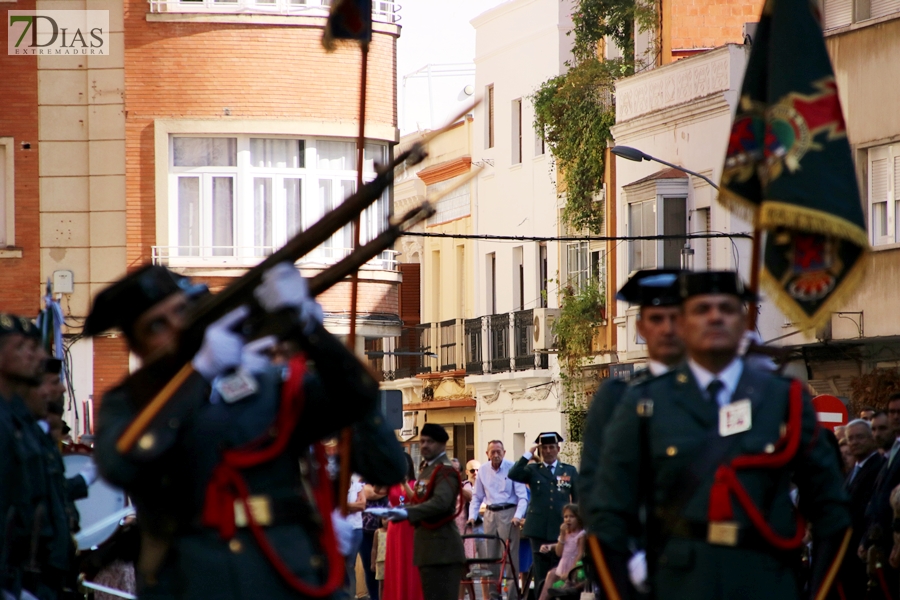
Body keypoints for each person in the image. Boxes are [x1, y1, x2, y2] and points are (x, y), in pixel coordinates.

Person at [88, 263, 405, 600]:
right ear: (137, 348)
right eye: (156, 326)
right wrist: (199, 373)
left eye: (182, 311)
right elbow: (120, 465)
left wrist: (311, 331)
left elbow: (360, 406)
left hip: (286, 573)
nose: (177, 327)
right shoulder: (128, 403)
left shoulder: (264, 385)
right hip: (194, 580)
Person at [591, 271, 851, 600]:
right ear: (682, 324)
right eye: (702, 309)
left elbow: (832, 511)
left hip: (766, 582)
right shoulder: (644, 401)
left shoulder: (783, 398)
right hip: (678, 584)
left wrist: (817, 593)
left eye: (726, 309)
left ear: (743, 321)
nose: (715, 316)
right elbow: (607, 514)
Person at [579, 268, 684, 577]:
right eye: (656, 319)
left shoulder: (718, 394)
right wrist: (625, 562)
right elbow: (594, 491)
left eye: (675, 318)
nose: (667, 329)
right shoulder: (618, 397)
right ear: (640, 326)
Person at [385, 424, 466, 600]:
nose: (424, 445)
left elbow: (441, 503)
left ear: (443, 444)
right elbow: (420, 499)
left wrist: (407, 513)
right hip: (429, 549)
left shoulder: (445, 469)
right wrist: (403, 509)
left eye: (430, 441)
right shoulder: (429, 469)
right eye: (422, 441)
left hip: (442, 550)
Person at [508, 432, 578, 596]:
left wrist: (576, 525)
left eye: (551, 447)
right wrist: (528, 454)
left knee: (563, 569)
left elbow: (577, 500)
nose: (548, 451)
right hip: (538, 528)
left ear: (557, 449)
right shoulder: (532, 470)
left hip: (562, 527)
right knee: (541, 572)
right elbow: (513, 474)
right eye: (544, 448)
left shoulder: (569, 470)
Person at [467, 440, 527, 599]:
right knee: (491, 558)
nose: (495, 455)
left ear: (504, 452)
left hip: (509, 513)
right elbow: (477, 497)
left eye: (498, 451)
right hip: (490, 514)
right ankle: (494, 596)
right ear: (487, 454)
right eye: (492, 452)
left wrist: (517, 516)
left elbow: (523, 497)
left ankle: (513, 596)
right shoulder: (483, 471)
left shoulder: (513, 468)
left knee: (510, 558)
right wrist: (472, 516)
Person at [862, 392, 900, 599]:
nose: (896, 416)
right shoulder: (891, 451)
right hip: (881, 542)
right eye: (892, 412)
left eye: (899, 412)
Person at [841, 419, 884, 596]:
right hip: (846, 549)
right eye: (851, 438)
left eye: (860, 437)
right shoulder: (852, 470)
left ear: (871, 438)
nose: (855, 442)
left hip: (861, 547)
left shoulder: (878, 466)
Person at [381, 454, 422, 600]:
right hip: (395, 527)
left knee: (410, 563)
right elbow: (376, 491)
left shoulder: (415, 483)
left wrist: (404, 483)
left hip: (410, 527)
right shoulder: (391, 484)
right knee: (396, 563)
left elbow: (415, 500)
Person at [537, 504, 585, 600]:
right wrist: (562, 535)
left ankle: (562, 589)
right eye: (566, 517)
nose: (568, 519)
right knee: (551, 574)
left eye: (572, 516)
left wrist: (571, 571)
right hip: (562, 566)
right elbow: (559, 553)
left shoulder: (581, 534)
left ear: (578, 519)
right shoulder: (566, 533)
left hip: (574, 567)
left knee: (557, 578)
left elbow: (580, 554)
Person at [360, 484, 389, 600]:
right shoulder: (364, 482)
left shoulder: (391, 481)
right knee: (370, 568)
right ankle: (374, 597)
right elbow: (370, 493)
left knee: (388, 570)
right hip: (367, 532)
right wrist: (388, 489)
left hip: (387, 532)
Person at [371, 518, 388, 600]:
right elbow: (374, 548)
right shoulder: (378, 532)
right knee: (381, 584)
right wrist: (372, 562)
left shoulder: (393, 531)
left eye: (388, 519)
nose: (386, 521)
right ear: (381, 520)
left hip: (391, 562)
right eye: (384, 519)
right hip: (380, 561)